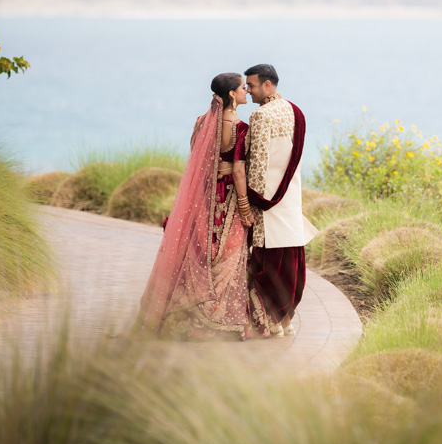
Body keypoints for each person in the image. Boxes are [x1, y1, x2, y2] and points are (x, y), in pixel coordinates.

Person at [135, 73, 258, 340]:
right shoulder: (240, 128)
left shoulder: (201, 122)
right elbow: (238, 172)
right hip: (227, 200)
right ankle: (217, 322)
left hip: (202, 202)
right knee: (228, 254)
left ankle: (186, 317)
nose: (246, 91)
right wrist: (246, 209)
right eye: (242, 88)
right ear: (232, 95)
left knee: (199, 253)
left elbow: (198, 159)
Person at [243, 64, 317, 337]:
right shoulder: (296, 111)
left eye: (251, 85)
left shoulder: (261, 115)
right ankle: (286, 322)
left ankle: (270, 322)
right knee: (290, 264)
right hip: (290, 201)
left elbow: (258, 166)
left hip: (268, 204)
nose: (248, 91)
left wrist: (249, 202)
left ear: (267, 85)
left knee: (267, 262)